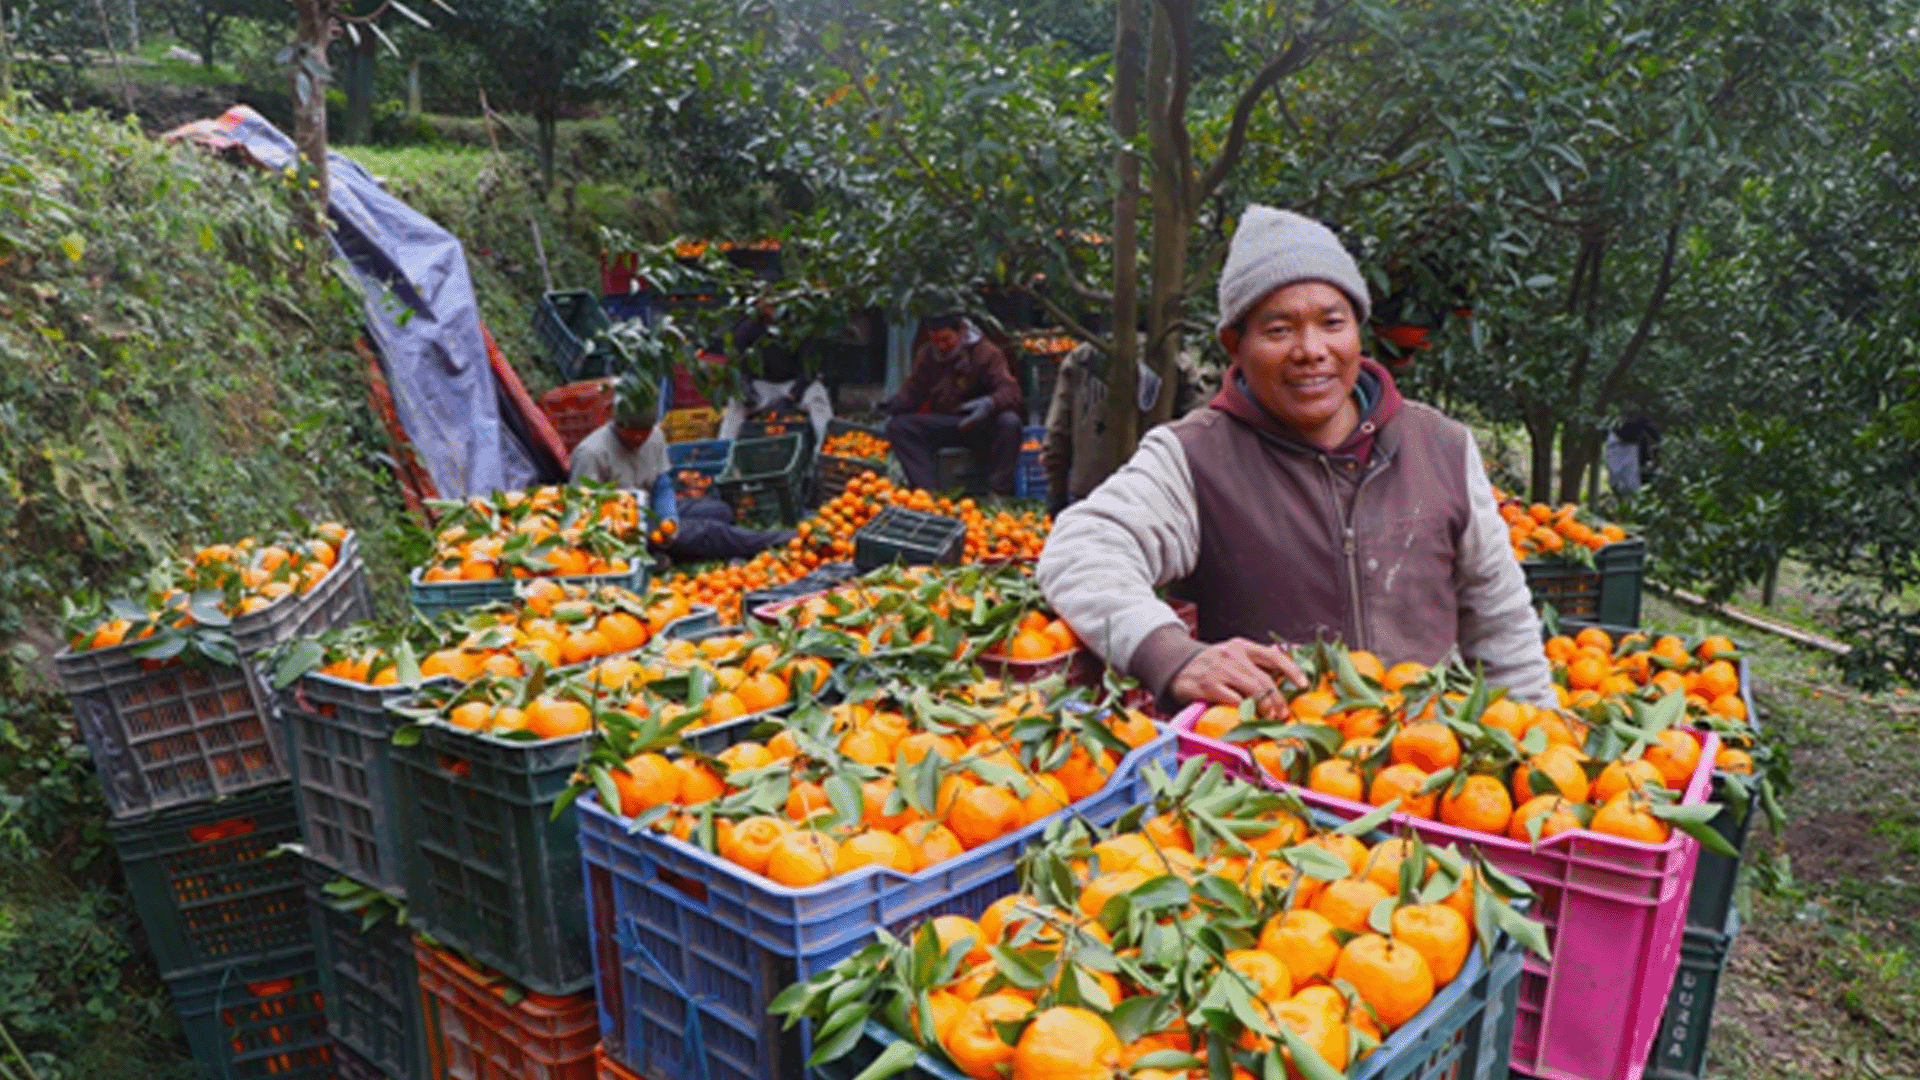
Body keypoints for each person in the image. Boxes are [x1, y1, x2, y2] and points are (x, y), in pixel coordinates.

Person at [1036, 206, 1554, 715]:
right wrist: (1171, 654)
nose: (1312, 349)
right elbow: (1080, 550)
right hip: (1259, 777)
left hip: (1426, 764)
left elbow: (1500, 619)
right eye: (1279, 330)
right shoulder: (1195, 456)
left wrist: (1538, 735)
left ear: (1358, 330)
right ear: (1234, 346)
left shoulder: (1439, 445)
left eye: (1332, 322)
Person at [571, 373, 795, 560]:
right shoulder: (592, 453)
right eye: (631, 430)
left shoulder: (655, 436)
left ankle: (669, 551)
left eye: (644, 430)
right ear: (617, 423)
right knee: (711, 531)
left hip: (650, 510)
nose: (639, 438)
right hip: (625, 527)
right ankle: (777, 540)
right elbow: (583, 518)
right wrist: (641, 533)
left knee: (720, 511)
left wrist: (670, 517)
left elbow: (662, 484)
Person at [1041, 340, 1209, 517]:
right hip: (1155, 493)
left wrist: (1056, 491)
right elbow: (1197, 433)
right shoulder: (1174, 360)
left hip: (1091, 492)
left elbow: (1058, 431)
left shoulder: (1082, 358)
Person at [882, 314, 1024, 495]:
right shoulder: (927, 355)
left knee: (1009, 422)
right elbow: (913, 392)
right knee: (899, 427)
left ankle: (998, 492)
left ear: (961, 332)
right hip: (949, 422)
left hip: (981, 423)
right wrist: (892, 404)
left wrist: (989, 403)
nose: (941, 346)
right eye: (936, 341)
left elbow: (1011, 391)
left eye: (946, 339)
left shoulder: (986, 353)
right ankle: (926, 492)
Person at [715, 310, 834, 444]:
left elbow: (810, 368)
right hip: (762, 385)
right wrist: (744, 386)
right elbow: (736, 362)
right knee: (736, 403)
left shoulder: (800, 327)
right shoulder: (748, 327)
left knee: (818, 397)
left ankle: (827, 448)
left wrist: (793, 394)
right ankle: (723, 451)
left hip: (793, 382)